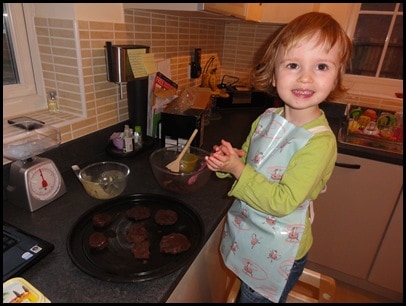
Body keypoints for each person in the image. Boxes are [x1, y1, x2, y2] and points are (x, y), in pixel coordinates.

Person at [205, 12, 352, 303]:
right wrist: (229, 161)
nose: (305, 77)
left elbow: (284, 202)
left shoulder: (319, 142)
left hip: (279, 250)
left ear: (336, 76)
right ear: (274, 74)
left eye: (321, 66)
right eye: (293, 65)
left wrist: (237, 169)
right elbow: (251, 160)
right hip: (249, 234)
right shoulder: (267, 117)